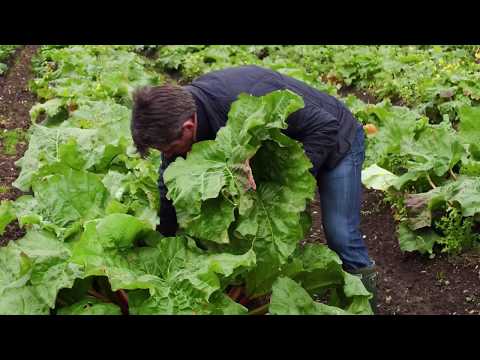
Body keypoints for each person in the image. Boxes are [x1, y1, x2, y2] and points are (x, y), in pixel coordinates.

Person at [131, 65, 378, 309]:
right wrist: (164, 238)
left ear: (188, 128)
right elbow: (170, 182)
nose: (170, 156)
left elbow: (325, 126)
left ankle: (366, 304)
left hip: (336, 139)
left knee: (341, 234)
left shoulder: (245, 98)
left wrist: (290, 184)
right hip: (280, 150)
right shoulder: (174, 117)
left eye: (170, 150)